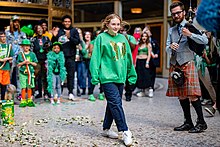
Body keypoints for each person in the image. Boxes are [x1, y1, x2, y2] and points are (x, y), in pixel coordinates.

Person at [90, 13, 137, 146]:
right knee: (116, 103)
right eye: (113, 24)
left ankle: (106, 129)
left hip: (120, 77)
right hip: (107, 77)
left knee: (113, 103)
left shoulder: (123, 38)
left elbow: (128, 57)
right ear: (107, 24)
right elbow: (96, 58)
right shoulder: (101, 38)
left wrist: (131, 74)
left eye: (118, 24)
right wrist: (95, 75)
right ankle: (125, 130)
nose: (116, 27)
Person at [166, 1, 208, 133]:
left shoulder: (191, 26)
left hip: (188, 62)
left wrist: (190, 34)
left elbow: (205, 41)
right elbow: (166, 47)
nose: (176, 15)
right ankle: (188, 122)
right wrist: (170, 47)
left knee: (193, 95)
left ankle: (201, 123)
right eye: (173, 14)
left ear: (184, 12)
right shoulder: (171, 30)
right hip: (175, 65)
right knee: (181, 95)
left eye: (178, 13)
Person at [51, 15, 80, 101]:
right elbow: (54, 43)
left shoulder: (74, 31)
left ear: (71, 22)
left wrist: (69, 37)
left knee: (71, 75)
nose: (67, 23)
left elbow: (77, 41)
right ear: (63, 22)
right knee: (60, 75)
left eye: (69, 21)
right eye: (65, 21)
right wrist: (54, 36)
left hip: (71, 56)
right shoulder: (59, 30)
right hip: (60, 56)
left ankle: (70, 92)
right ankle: (59, 92)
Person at [5, 15, 26, 97]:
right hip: (10, 57)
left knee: (19, 75)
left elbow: (26, 45)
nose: (16, 23)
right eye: (15, 22)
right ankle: (8, 94)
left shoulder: (23, 33)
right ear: (12, 23)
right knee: (9, 75)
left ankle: (20, 94)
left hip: (20, 57)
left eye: (18, 22)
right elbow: (5, 45)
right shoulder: (7, 33)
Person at [32, 24, 51, 99]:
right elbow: (31, 50)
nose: (40, 30)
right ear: (36, 31)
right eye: (38, 28)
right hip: (36, 60)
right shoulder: (33, 39)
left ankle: (46, 93)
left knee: (45, 77)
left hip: (45, 60)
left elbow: (50, 47)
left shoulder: (46, 38)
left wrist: (47, 47)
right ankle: (37, 93)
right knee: (36, 77)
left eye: (41, 28)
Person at [17, 39, 38, 107]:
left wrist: (30, 62)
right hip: (23, 73)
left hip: (30, 73)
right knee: (23, 87)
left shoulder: (32, 54)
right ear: (22, 47)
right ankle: (23, 100)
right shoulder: (20, 55)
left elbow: (35, 64)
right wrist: (23, 62)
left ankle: (29, 99)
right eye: (25, 46)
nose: (26, 47)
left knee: (29, 87)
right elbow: (18, 64)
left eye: (28, 46)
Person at [119, 25, 137, 101]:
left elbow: (133, 47)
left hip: (128, 61)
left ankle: (128, 94)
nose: (121, 32)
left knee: (128, 78)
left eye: (123, 30)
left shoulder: (130, 37)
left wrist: (126, 39)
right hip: (118, 61)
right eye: (120, 31)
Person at [143, 25, 160, 97]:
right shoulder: (143, 41)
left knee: (152, 74)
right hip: (145, 59)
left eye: (147, 31)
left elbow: (158, 49)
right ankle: (144, 88)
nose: (146, 33)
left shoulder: (154, 41)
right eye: (145, 31)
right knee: (145, 74)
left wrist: (156, 54)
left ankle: (151, 88)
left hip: (152, 61)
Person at [135, 32, 152, 97]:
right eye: (143, 36)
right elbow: (136, 54)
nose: (144, 38)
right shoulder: (139, 45)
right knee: (140, 76)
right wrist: (135, 63)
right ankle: (142, 91)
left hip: (145, 61)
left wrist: (147, 62)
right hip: (139, 61)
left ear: (147, 37)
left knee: (146, 75)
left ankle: (150, 89)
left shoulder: (148, 45)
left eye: (145, 36)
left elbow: (149, 54)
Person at [0, 31, 14, 100]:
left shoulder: (9, 46)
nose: (3, 38)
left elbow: (12, 56)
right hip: (0, 67)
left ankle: (2, 100)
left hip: (6, 67)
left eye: (4, 36)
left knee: (4, 85)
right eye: (1, 37)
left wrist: (7, 58)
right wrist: (1, 60)